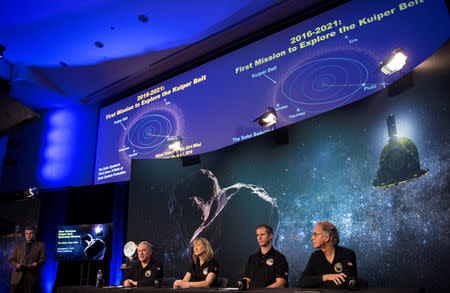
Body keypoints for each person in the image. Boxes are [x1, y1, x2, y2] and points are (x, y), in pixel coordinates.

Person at [298, 221, 358, 289]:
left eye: (315, 234)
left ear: (327, 237)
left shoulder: (347, 254)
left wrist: (315, 283)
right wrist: (326, 277)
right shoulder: (315, 256)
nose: (312, 238)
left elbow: (346, 284)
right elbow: (302, 282)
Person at [242, 224, 288, 288]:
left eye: (262, 234)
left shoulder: (280, 258)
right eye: (257, 235)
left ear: (270, 236)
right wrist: (243, 284)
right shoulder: (252, 258)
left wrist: (262, 291)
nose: (259, 238)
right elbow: (247, 279)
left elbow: (281, 284)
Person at [8, 226, 46, 293]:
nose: (28, 235)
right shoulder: (18, 246)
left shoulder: (41, 245)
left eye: (31, 233)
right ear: (25, 235)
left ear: (34, 234)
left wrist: (37, 263)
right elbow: (11, 261)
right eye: (27, 233)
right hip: (17, 277)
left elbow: (43, 260)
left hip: (31, 277)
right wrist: (16, 265)